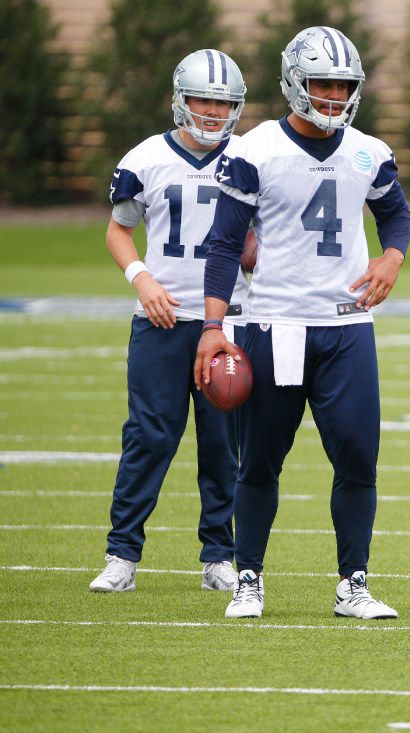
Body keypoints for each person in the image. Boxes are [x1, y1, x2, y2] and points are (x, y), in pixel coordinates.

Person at [193, 26, 410, 620]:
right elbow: (223, 246)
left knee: (358, 458)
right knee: (261, 460)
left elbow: (396, 216)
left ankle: (354, 584)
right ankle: (248, 579)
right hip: (274, 326)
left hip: (346, 328)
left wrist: (391, 257)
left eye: (344, 86)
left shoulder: (368, 150)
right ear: (295, 81)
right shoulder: (256, 149)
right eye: (324, 84)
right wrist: (214, 327)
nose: (336, 97)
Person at [89, 49, 249, 594]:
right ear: (181, 99)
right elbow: (118, 229)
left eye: (223, 102)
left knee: (223, 443)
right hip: (160, 319)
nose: (212, 111)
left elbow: (264, 242)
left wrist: (258, 256)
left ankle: (219, 556)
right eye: (203, 99)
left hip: (227, 323)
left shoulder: (251, 158)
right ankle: (122, 554)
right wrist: (141, 276)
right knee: (149, 436)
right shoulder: (146, 158)